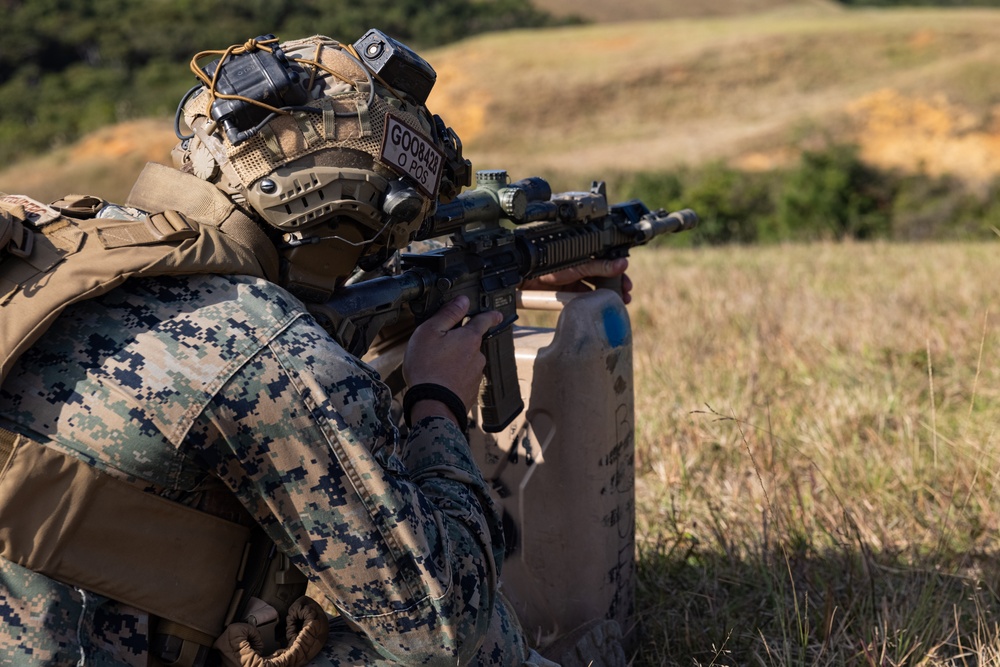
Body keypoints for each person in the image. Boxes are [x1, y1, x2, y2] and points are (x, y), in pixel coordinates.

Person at [0, 32, 630, 667]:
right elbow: (438, 632)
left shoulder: (65, 240)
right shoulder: (268, 350)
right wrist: (438, 403)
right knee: (486, 637)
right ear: (352, 215)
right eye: (385, 234)